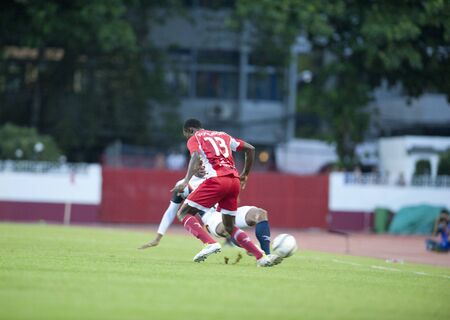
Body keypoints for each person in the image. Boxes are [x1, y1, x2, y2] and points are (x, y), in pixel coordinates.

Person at [169, 118, 279, 267]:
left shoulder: (195, 138)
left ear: (189, 131)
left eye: (186, 135)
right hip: (233, 180)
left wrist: (185, 180)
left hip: (216, 180)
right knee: (229, 227)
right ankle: (261, 257)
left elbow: (195, 155)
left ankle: (210, 243)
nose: (188, 139)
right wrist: (245, 174)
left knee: (183, 213)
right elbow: (251, 148)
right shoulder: (223, 135)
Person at [140, 175, 274, 257]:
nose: (204, 163)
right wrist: (158, 237)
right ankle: (250, 247)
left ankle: (267, 255)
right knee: (227, 228)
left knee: (260, 214)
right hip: (212, 219)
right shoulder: (184, 185)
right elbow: (171, 211)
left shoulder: (218, 174)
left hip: (229, 212)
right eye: (200, 159)